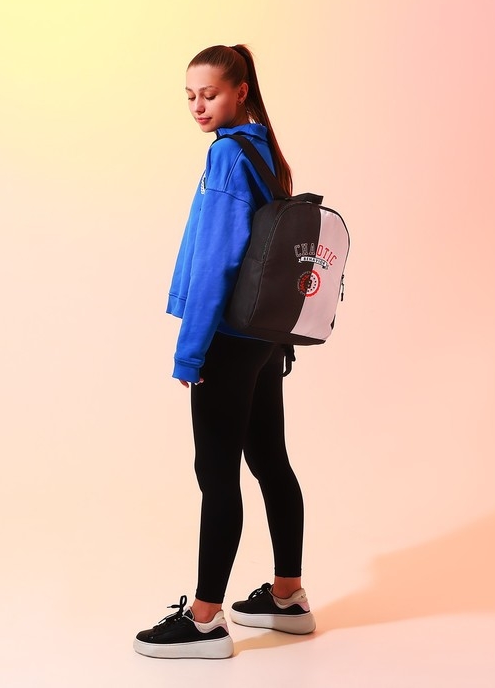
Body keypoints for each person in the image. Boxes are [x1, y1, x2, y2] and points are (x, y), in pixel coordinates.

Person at [133, 44, 315, 660]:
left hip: (228, 340)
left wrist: (190, 353)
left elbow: (217, 261)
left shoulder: (226, 156)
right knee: (271, 462)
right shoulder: (266, 152)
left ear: (240, 91)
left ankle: (205, 620)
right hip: (263, 338)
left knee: (217, 476)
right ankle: (287, 597)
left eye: (209, 94)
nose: (198, 105)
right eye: (189, 96)